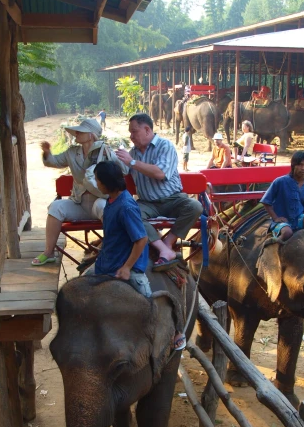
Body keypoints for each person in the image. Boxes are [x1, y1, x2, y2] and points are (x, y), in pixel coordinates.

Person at [87, 161, 186, 350]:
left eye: (98, 180)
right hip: (107, 262)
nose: (96, 183)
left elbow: (140, 239)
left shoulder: (126, 206)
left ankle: (176, 332)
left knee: (148, 304)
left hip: (126, 266)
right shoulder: (110, 201)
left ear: (107, 183)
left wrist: (126, 267)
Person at [31, 118, 128, 266]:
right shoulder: (71, 152)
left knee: (103, 207)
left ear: (90, 135)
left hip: (99, 200)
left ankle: (111, 251)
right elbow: (53, 162)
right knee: (55, 207)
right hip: (78, 202)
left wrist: (115, 157)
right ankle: (49, 252)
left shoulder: (105, 150)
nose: (76, 133)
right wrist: (46, 152)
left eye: (80, 131)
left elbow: (124, 171)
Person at [116, 113, 203, 271]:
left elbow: (160, 173)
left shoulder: (165, 146)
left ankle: (168, 243)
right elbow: (120, 171)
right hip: (147, 203)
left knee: (195, 206)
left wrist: (132, 162)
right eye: (130, 132)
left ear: (147, 130)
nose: (131, 136)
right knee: (128, 212)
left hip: (173, 199)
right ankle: (163, 249)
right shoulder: (133, 152)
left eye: (134, 131)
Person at [260, 150, 304, 241]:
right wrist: (275, 218)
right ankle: (273, 244)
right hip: (283, 221)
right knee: (287, 232)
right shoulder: (280, 181)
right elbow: (266, 201)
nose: (303, 168)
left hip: (298, 219)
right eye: (300, 165)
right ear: (293, 166)